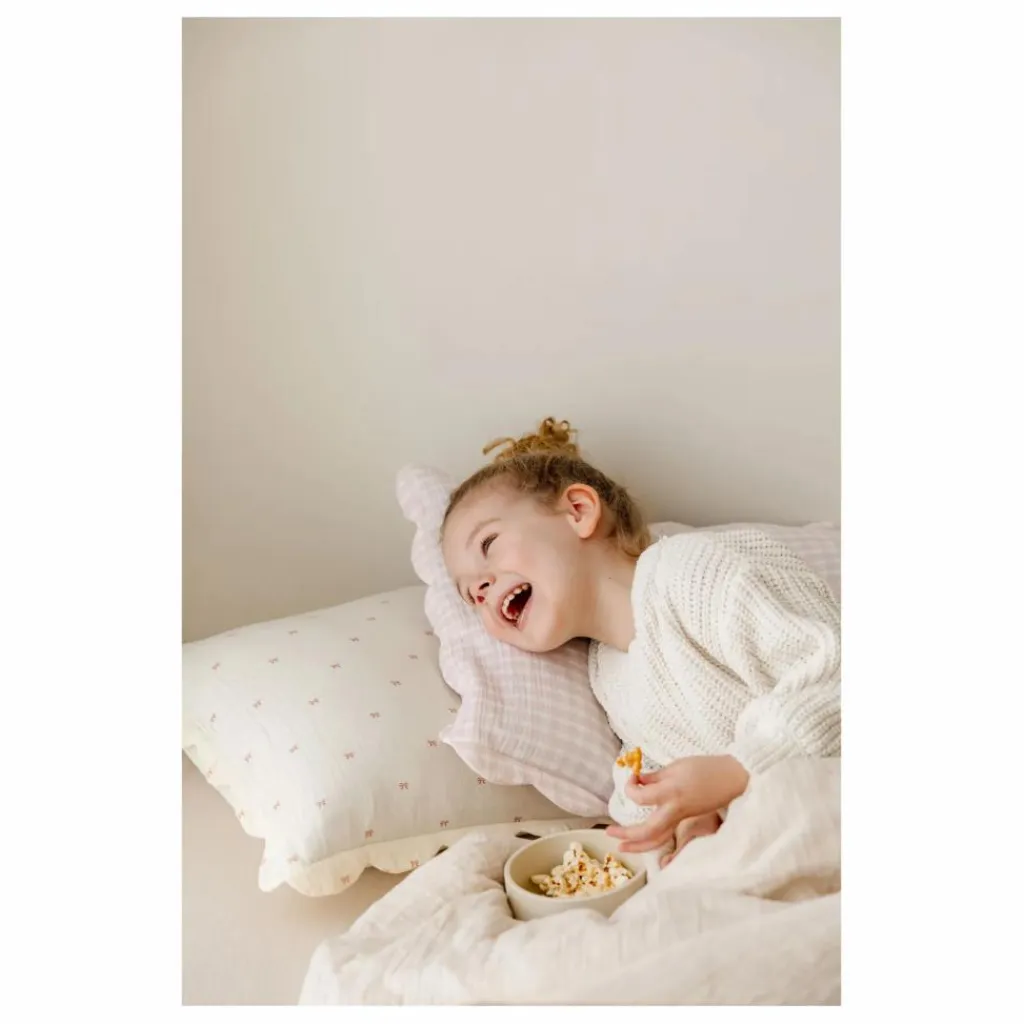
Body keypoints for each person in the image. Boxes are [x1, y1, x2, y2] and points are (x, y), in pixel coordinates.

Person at [441, 417, 841, 867]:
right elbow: (653, 777)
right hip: (769, 838)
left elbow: (835, 675)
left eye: (488, 544)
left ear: (578, 511)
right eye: (469, 595)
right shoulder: (608, 678)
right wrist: (682, 820)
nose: (480, 590)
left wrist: (738, 770)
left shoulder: (691, 571)